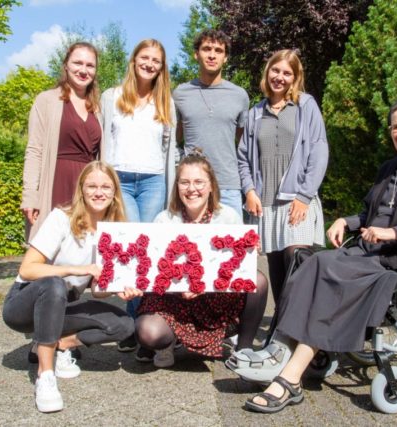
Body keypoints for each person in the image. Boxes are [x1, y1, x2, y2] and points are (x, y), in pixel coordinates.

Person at [240, 96, 397, 413]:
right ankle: (277, 349)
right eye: (396, 127)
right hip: (366, 251)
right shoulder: (389, 168)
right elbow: (370, 214)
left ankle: (289, 379)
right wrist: (346, 221)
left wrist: (396, 232)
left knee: (333, 277)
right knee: (312, 261)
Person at [3, 161, 136, 413]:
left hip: (65, 304)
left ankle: (62, 343)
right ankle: (46, 376)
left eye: (106, 187)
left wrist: (118, 288)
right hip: (23, 304)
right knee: (54, 285)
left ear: (114, 192)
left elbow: (97, 290)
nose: (99, 192)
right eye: (92, 186)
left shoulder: (113, 231)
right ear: (82, 189)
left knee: (125, 325)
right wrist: (77, 270)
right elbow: (27, 269)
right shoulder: (61, 218)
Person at [128, 152, 268, 368]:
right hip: (173, 303)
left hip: (216, 300)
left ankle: (244, 349)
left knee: (257, 280)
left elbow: (238, 267)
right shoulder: (164, 220)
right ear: (177, 187)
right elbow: (153, 272)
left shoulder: (228, 217)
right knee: (148, 332)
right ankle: (167, 343)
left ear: (211, 185)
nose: (191, 189)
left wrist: (248, 250)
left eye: (198, 182)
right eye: (184, 182)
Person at [101, 39, 178, 351]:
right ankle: (133, 325)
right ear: (133, 61)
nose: (149, 64)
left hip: (153, 180)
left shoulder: (166, 103)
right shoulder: (112, 97)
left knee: (149, 253)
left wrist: (172, 190)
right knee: (130, 252)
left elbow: (170, 151)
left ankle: (139, 325)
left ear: (161, 67)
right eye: (144, 58)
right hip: (120, 179)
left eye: (156, 60)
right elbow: (104, 141)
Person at [237, 49, 328, 306]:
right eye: (275, 70)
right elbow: (243, 156)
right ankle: (280, 326)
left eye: (287, 73)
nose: (280, 77)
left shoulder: (305, 105)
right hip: (265, 203)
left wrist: (305, 195)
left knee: (296, 258)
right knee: (276, 267)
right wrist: (249, 190)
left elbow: (319, 150)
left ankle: (301, 328)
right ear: (268, 72)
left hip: (297, 200)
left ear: (295, 77)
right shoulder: (255, 112)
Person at [21, 42, 102, 242]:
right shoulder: (46, 100)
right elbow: (34, 150)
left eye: (90, 65)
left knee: (84, 247)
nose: (83, 70)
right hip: (57, 181)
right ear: (66, 65)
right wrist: (30, 195)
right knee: (51, 247)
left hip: (87, 188)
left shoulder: (98, 108)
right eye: (78, 63)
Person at [173, 29, 249, 217]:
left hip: (228, 186)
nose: (212, 55)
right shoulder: (180, 94)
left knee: (233, 244)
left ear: (225, 58)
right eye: (207, 49)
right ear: (196, 54)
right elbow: (174, 140)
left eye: (218, 50)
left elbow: (243, 144)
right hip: (191, 188)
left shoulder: (239, 95)